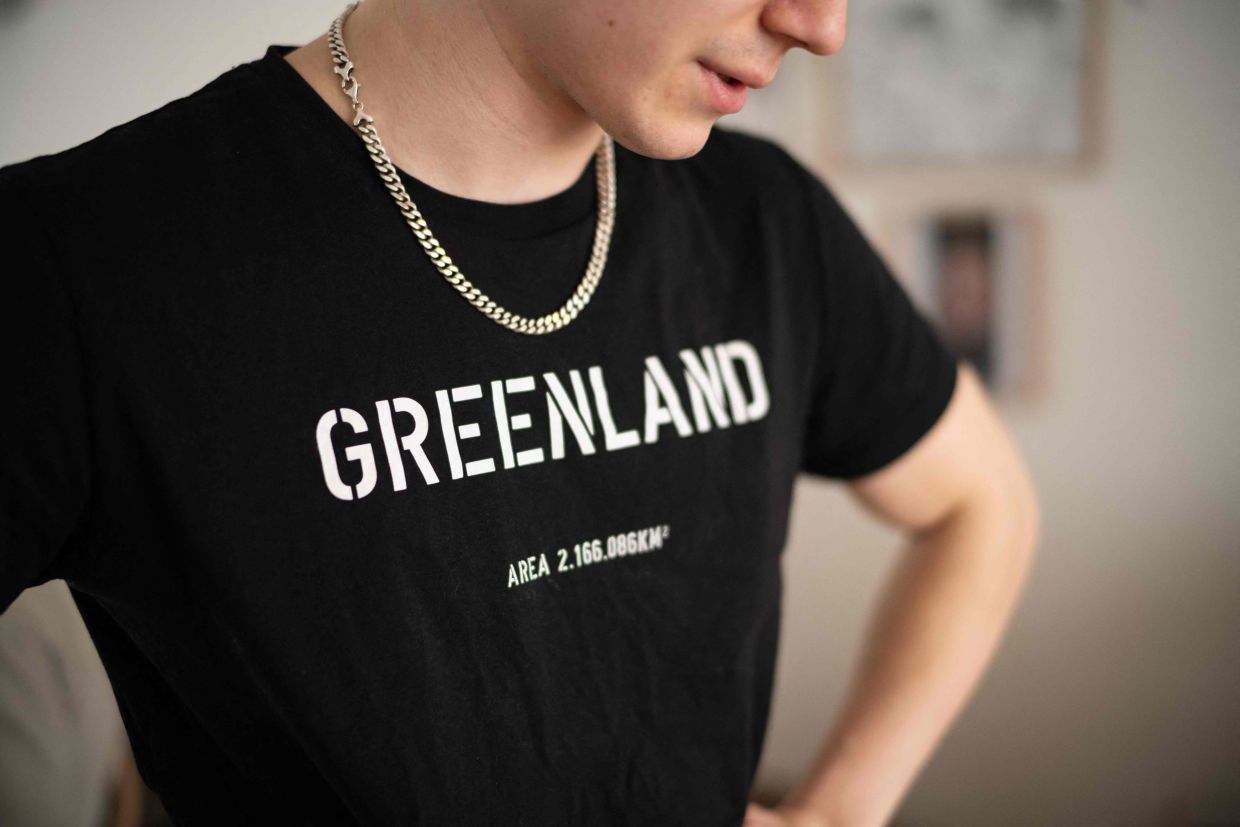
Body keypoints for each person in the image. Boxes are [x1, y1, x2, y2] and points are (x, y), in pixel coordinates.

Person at [0, 0, 1040, 824]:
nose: (822, 24)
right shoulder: (78, 261)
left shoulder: (765, 223)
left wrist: (838, 809)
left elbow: (982, 503)